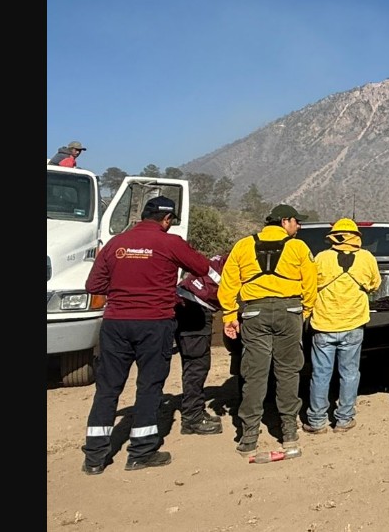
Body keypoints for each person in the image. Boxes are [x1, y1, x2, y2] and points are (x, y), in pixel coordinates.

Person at [81, 196, 214, 475]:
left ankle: (94, 457)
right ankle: (141, 452)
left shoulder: (115, 244)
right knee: (149, 386)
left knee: (107, 388)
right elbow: (202, 268)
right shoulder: (170, 242)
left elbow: (93, 284)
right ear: (167, 220)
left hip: (116, 323)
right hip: (154, 323)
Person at [218, 204, 317, 457]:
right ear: (284, 221)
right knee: (288, 371)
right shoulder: (298, 247)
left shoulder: (243, 245)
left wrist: (230, 315)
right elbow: (310, 283)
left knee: (254, 374)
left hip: (254, 313)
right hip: (290, 311)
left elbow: (228, 282)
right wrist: (303, 312)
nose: (299, 226)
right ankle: (289, 432)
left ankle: (249, 435)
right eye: (296, 221)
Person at [303, 219, 381, 434]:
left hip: (323, 324)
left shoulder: (321, 258)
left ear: (334, 237)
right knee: (349, 373)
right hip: (354, 324)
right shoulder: (367, 258)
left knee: (320, 373)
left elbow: (309, 285)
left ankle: (317, 421)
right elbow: (375, 284)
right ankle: (344, 419)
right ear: (356, 237)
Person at [173, 253, 228, 436]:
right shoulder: (236, 263)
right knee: (196, 365)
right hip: (194, 307)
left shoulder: (224, 259)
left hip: (186, 302)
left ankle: (193, 411)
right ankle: (192, 417)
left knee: (193, 364)